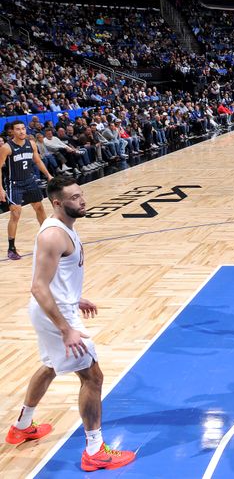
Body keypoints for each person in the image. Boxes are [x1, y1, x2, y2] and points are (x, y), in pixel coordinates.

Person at [5, 176, 135, 471]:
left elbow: (54, 280)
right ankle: (94, 451)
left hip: (57, 308)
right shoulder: (52, 235)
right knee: (93, 377)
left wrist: (74, 298)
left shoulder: (63, 228)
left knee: (51, 366)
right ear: (57, 203)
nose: (83, 200)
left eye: (81, 194)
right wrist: (66, 328)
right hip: (56, 317)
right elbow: (38, 287)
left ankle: (22, 426)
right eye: (75, 198)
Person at [0, 121, 53, 260]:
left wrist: (48, 175)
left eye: (23, 128)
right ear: (12, 131)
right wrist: (0, 189)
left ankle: (47, 240)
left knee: (40, 208)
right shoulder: (6, 147)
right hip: (14, 184)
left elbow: (37, 161)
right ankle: (11, 248)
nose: (22, 131)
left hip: (30, 181)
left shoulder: (31, 144)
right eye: (18, 129)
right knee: (15, 214)